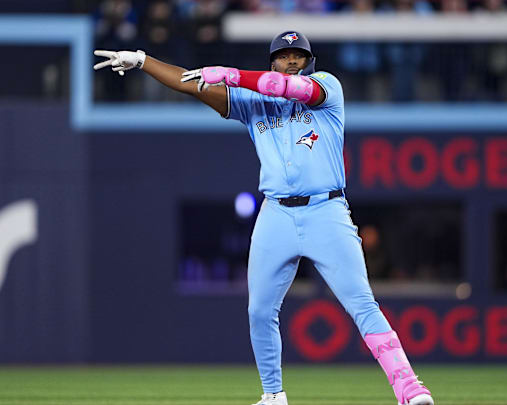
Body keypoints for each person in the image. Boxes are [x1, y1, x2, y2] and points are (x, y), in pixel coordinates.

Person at [92, 31, 433, 405]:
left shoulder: (326, 87)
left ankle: (409, 388)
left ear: (309, 62)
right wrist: (143, 61)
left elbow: (290, 89)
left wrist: (232, 74)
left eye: (298, 56)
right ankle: (273, 396)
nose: (291, 61)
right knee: (259, 309)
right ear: (272, 61)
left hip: (326, 210)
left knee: (362, 303)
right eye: (284, 56)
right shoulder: (251, 101)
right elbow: (190, 83)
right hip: (276, 214)